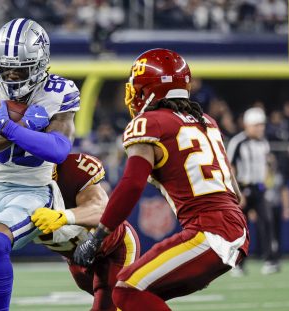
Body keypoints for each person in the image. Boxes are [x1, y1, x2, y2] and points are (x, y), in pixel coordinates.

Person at [73, 48, 249, 311]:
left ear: (148, 89)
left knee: (127, 290)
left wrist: (98, 236)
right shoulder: (206, 122)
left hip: (208, 231)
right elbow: (235, 193)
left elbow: (131, 185)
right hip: (234, 228)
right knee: (142, 293)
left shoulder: (150, 123)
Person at [0, 18, 80, 311]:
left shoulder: (59, 91)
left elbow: (59, 150)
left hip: (34, 191)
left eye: (20, 69)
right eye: (5, 68)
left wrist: (11, 128)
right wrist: (25, 127)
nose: (11, 76)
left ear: (39, 65)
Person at [0, 153, 140, 311]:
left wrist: (65, 216)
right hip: (76, 261)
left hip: (113, 249)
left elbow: (104, 211)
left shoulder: (73, 169)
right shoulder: (7, 189)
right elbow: (0, 241)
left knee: (120, 303)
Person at [227, 107, 277, 275]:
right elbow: (230, 168)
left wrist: (267, 182)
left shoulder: (264, 142)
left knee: (267, 222)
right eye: (256, 125)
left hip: (259, 188)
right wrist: (237, 192)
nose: (260, 128)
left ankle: (270, 260)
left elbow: (267, 164)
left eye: (261, 125)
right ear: (247, 125)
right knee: (241, 229)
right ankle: (239, 264)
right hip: (243, 188)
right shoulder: (238, 142)